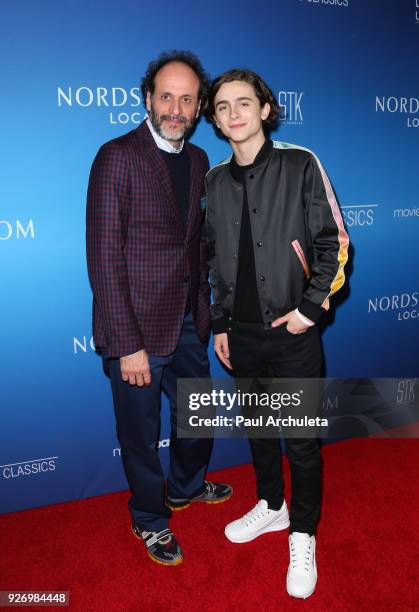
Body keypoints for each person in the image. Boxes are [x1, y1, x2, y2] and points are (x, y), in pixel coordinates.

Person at [204, 69, 349, 598]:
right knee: (262, 431)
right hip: (240, 335)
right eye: (222, 106)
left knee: (303, 443)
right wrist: (219, 322)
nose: (234, 113)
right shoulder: (214, 181)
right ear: (215, 120)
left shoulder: (300, 163)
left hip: (292, 331)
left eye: (244, 102)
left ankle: (303, 534)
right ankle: (271, 506)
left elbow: (334, 239)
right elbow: (214, 259)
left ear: (265, 109)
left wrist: (311, 309)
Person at [86, 51, 232, 567]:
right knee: (141, 435)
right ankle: (149, 519)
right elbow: (104, 258)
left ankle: (186, 487)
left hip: (188, 321)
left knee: (198, 414)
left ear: (197, 108)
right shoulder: (116, 156)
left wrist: (211, 319)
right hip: (137, 329)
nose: (176, 107)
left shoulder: (197, 161)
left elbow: (196, 247)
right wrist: (127, 345)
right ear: (148, 99)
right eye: (166, 96)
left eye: (187, 98)